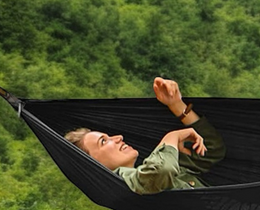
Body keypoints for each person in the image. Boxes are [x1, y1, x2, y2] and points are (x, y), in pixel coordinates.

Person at [65, 77, 226, 194]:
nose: (118, 137)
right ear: (92, 164)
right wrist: (172, 136)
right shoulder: (133, 184)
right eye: (104, 141)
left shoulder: (151, 170)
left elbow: (212, 149)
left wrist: (177, 106)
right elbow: (162, 170)